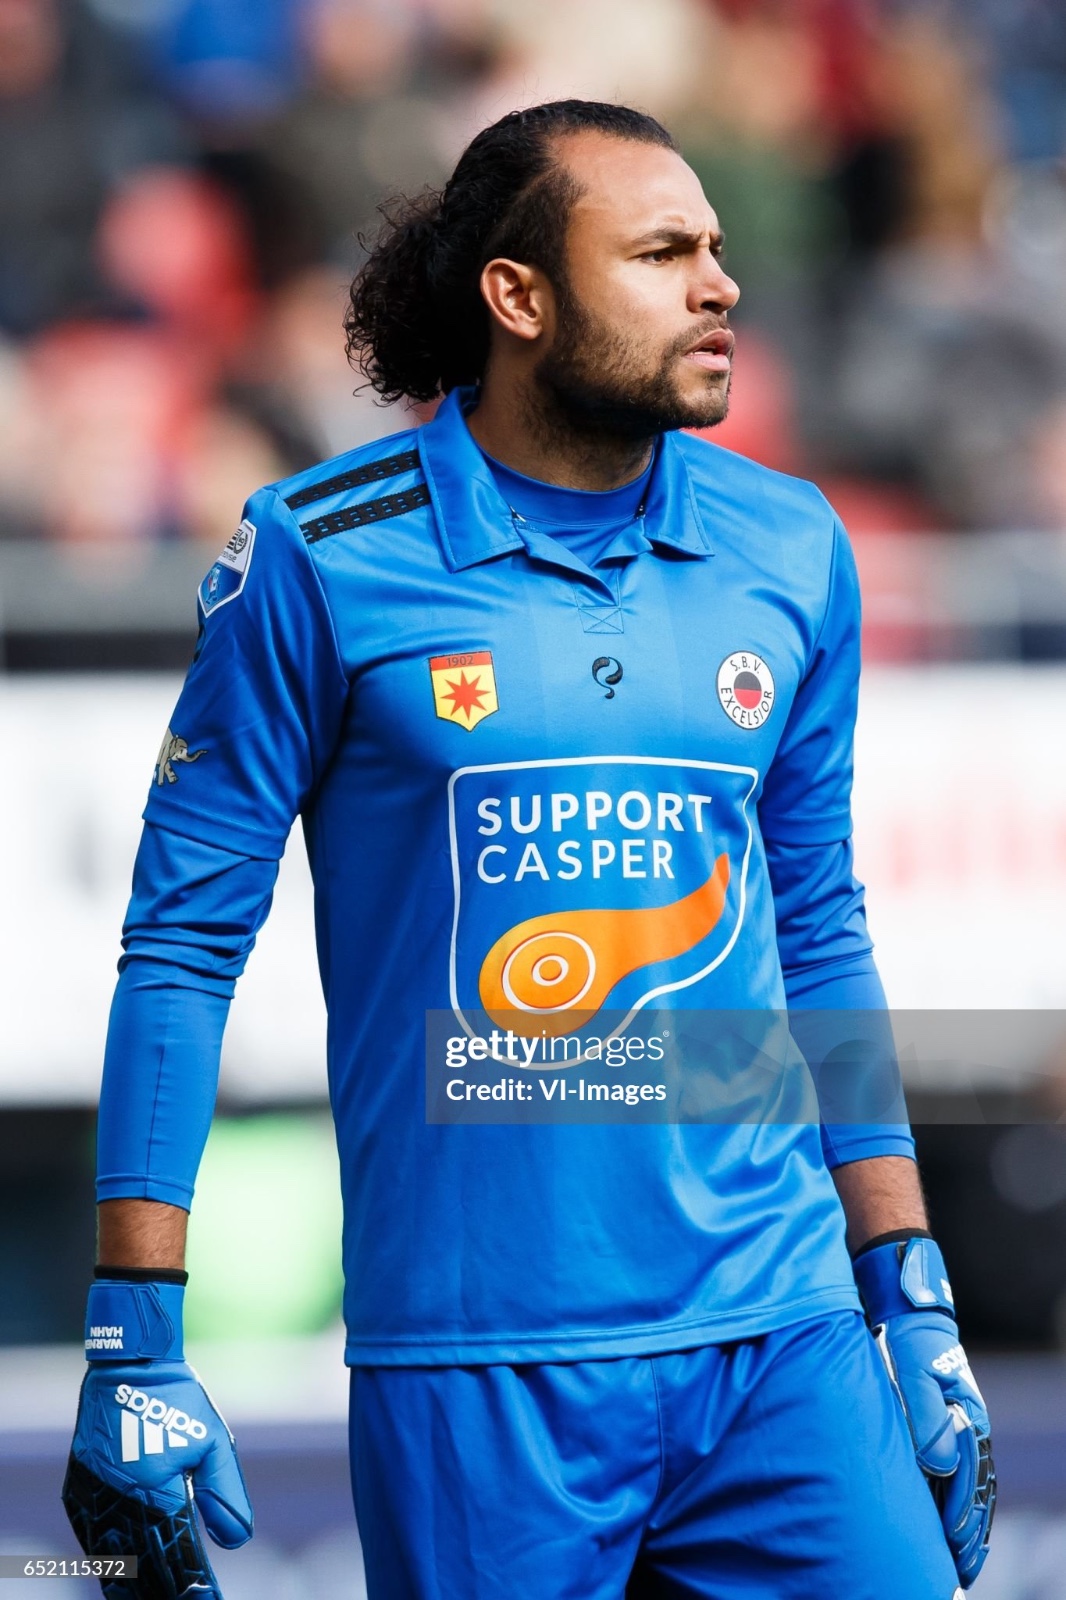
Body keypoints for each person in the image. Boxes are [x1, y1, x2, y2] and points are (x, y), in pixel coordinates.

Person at [63, 100, 995, 1599]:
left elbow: (817, 921)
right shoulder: (318, 554)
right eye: (662, 253)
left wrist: (910, 1284)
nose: (719, 284)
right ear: (519, 296)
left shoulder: (790, 542)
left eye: (715, 247)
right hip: (479, 1371)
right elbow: (181, 946)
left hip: (783, 1338)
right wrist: (134, 1330)